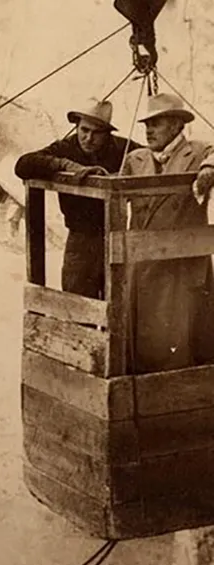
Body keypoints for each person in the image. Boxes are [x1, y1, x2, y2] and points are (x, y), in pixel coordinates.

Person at [119, 92, 214, 374]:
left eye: (156, 123)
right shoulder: (135, 158)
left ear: (176, 125)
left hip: (181, 267)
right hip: (144, 266)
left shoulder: (197, 152)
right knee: (143, 338)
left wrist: (209, 168)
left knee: (182, 339)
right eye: (147, 124)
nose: (148, 130)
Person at [14, 98, 144, 299]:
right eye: (84, 130)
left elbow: (153, 157)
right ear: (76, 127)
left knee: (119, 303)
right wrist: (65, 165)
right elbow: (23, 165)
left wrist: (125, 174)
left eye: (96, 133)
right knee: (77, 302)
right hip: (79, 241)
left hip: (115, 238)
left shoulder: (122, 148)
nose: (88, 138)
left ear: (107, 134)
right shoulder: (66, 147)